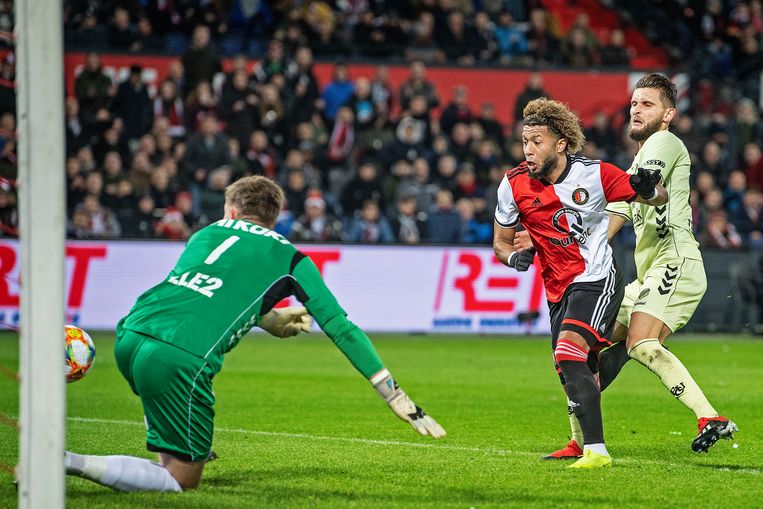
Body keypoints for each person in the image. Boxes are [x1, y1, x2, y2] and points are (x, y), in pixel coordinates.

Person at [64, 176, 445, 492]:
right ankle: (64, 461)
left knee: (177, 441)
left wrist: (267, 318)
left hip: (130, 335)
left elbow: (209, 290)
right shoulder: (290, 256)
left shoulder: (205, 234)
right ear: (273, 219)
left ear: (231, 210)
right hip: (178, 357)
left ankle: (175, 444)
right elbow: (340, 327)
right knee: (180, 479)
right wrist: (393, 393)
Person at [531, 74, 738, 459]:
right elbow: (619, 210)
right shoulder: (637, 159)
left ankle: (710, 417)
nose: (636, 109)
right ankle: (580, 440)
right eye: (634, 103)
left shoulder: (664, 142)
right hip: (649, 274)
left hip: (675, 260)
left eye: (647, 104)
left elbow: (647, 187)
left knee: (642, 342)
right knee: (582, 347)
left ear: (668, 115)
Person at [493, 98, 667, 468]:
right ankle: (625, 351)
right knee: (577, 372)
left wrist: (648, 189)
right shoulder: (512, 184)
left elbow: (656, 197)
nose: (528, 150)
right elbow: (501, 242)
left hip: (597, 277)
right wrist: (513, 258)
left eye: (536, 141)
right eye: (525, 142)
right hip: (556, 288)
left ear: (560, 144)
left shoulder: (596, 174)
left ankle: (597, 452)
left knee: (568, 353)